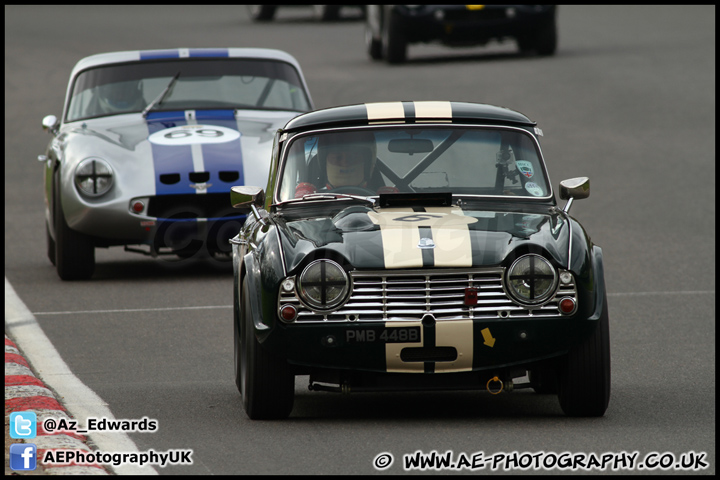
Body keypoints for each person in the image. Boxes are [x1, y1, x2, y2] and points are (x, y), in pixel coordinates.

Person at [295, 131, 397, 197]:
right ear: (324, 163)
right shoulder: (309, 201)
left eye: (352, 157)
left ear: (366, 163)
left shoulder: (385, 200)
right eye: (337, 158)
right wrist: (303, 199)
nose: (344, 163)